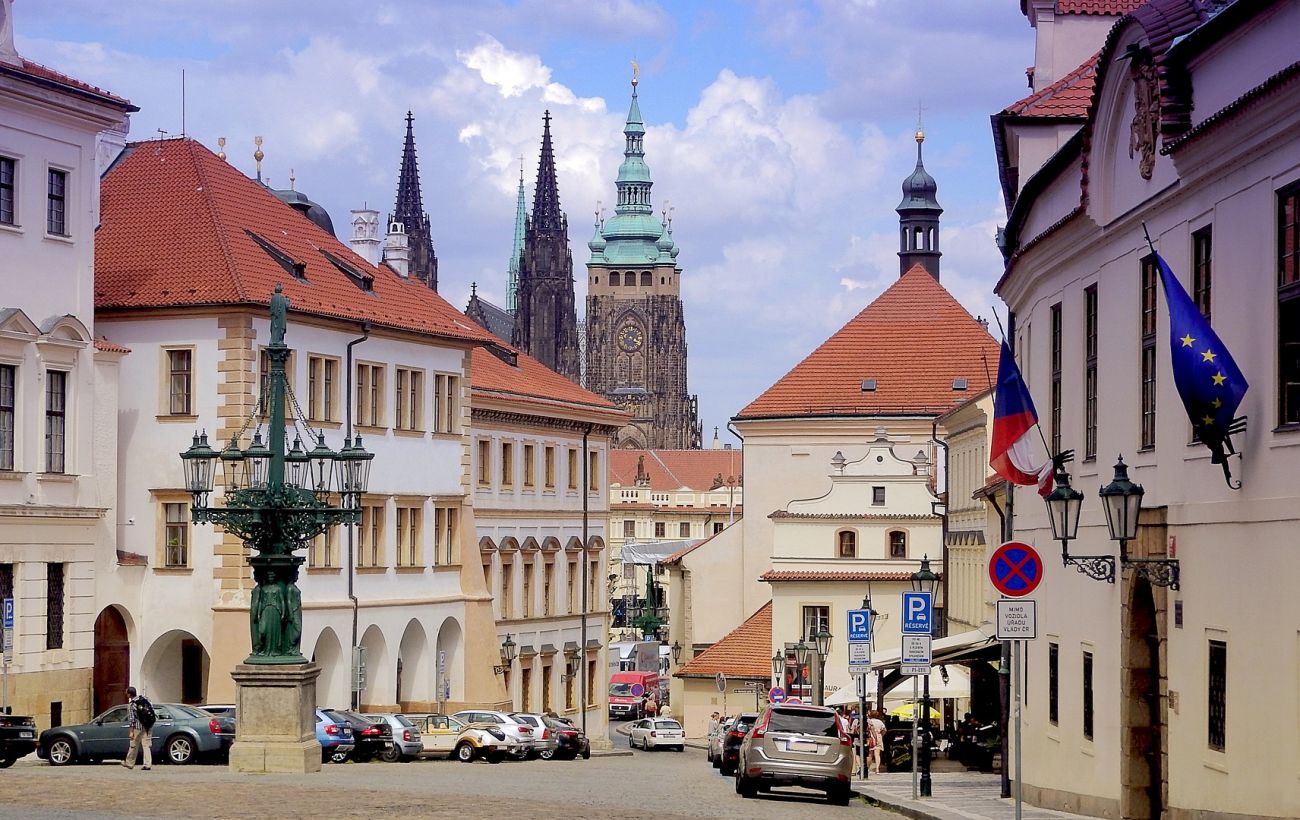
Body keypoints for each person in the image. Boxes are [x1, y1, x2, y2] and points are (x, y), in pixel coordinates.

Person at [123, 686, 152, 770]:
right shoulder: (145, 699)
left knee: (133, 744)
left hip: (138, 727)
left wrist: (131, 731)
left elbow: (132, 719)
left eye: (127, 693)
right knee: (146, 745)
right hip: (148, 726)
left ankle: (129, 763)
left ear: (129, 695)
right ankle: (147, 764)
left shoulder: (131, 704)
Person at [867, 710, 887, 774]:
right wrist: (881, 735)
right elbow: (884, 730)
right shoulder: (880, 722)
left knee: (870, 754)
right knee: (877, 754)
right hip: (878, 737)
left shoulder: (869, 721)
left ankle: (867, 768)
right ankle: (877, 769)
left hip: (871, 738)